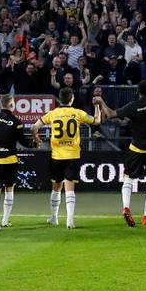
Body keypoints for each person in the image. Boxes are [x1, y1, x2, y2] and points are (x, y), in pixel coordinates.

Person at [96, 81, 146, 226]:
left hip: (136, 149)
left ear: (137, 92)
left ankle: (126, 207)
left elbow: (110, 114)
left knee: (128, 178)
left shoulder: (132, 106)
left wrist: (101, 101)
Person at [33, 87, 102, 229]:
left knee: (56, 187)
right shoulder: (78, 113)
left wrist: (37, 138)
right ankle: (70, 221)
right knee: (70, 188)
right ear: (72, 99)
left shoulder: (52, 114)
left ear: (59, 99)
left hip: (57, 156)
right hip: (73, 155)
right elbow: (97, 121)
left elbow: (34, 127)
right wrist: (96, 106)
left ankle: (54, 217)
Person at [0, 94, 36, 231]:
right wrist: (35, 144)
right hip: (10, 160)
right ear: (12, 105)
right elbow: (23, 141)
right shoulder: (17, 122)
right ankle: (5, 220)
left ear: (1, 105)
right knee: (9, 190)